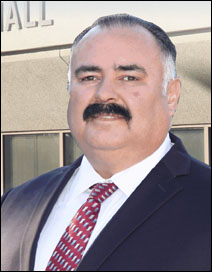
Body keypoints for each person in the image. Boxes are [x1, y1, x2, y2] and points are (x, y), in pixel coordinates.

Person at [1, 14, 211, 271]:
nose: (104, 93)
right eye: (88, 77)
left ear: (171, 95)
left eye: (129, 77)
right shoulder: (14, 204)